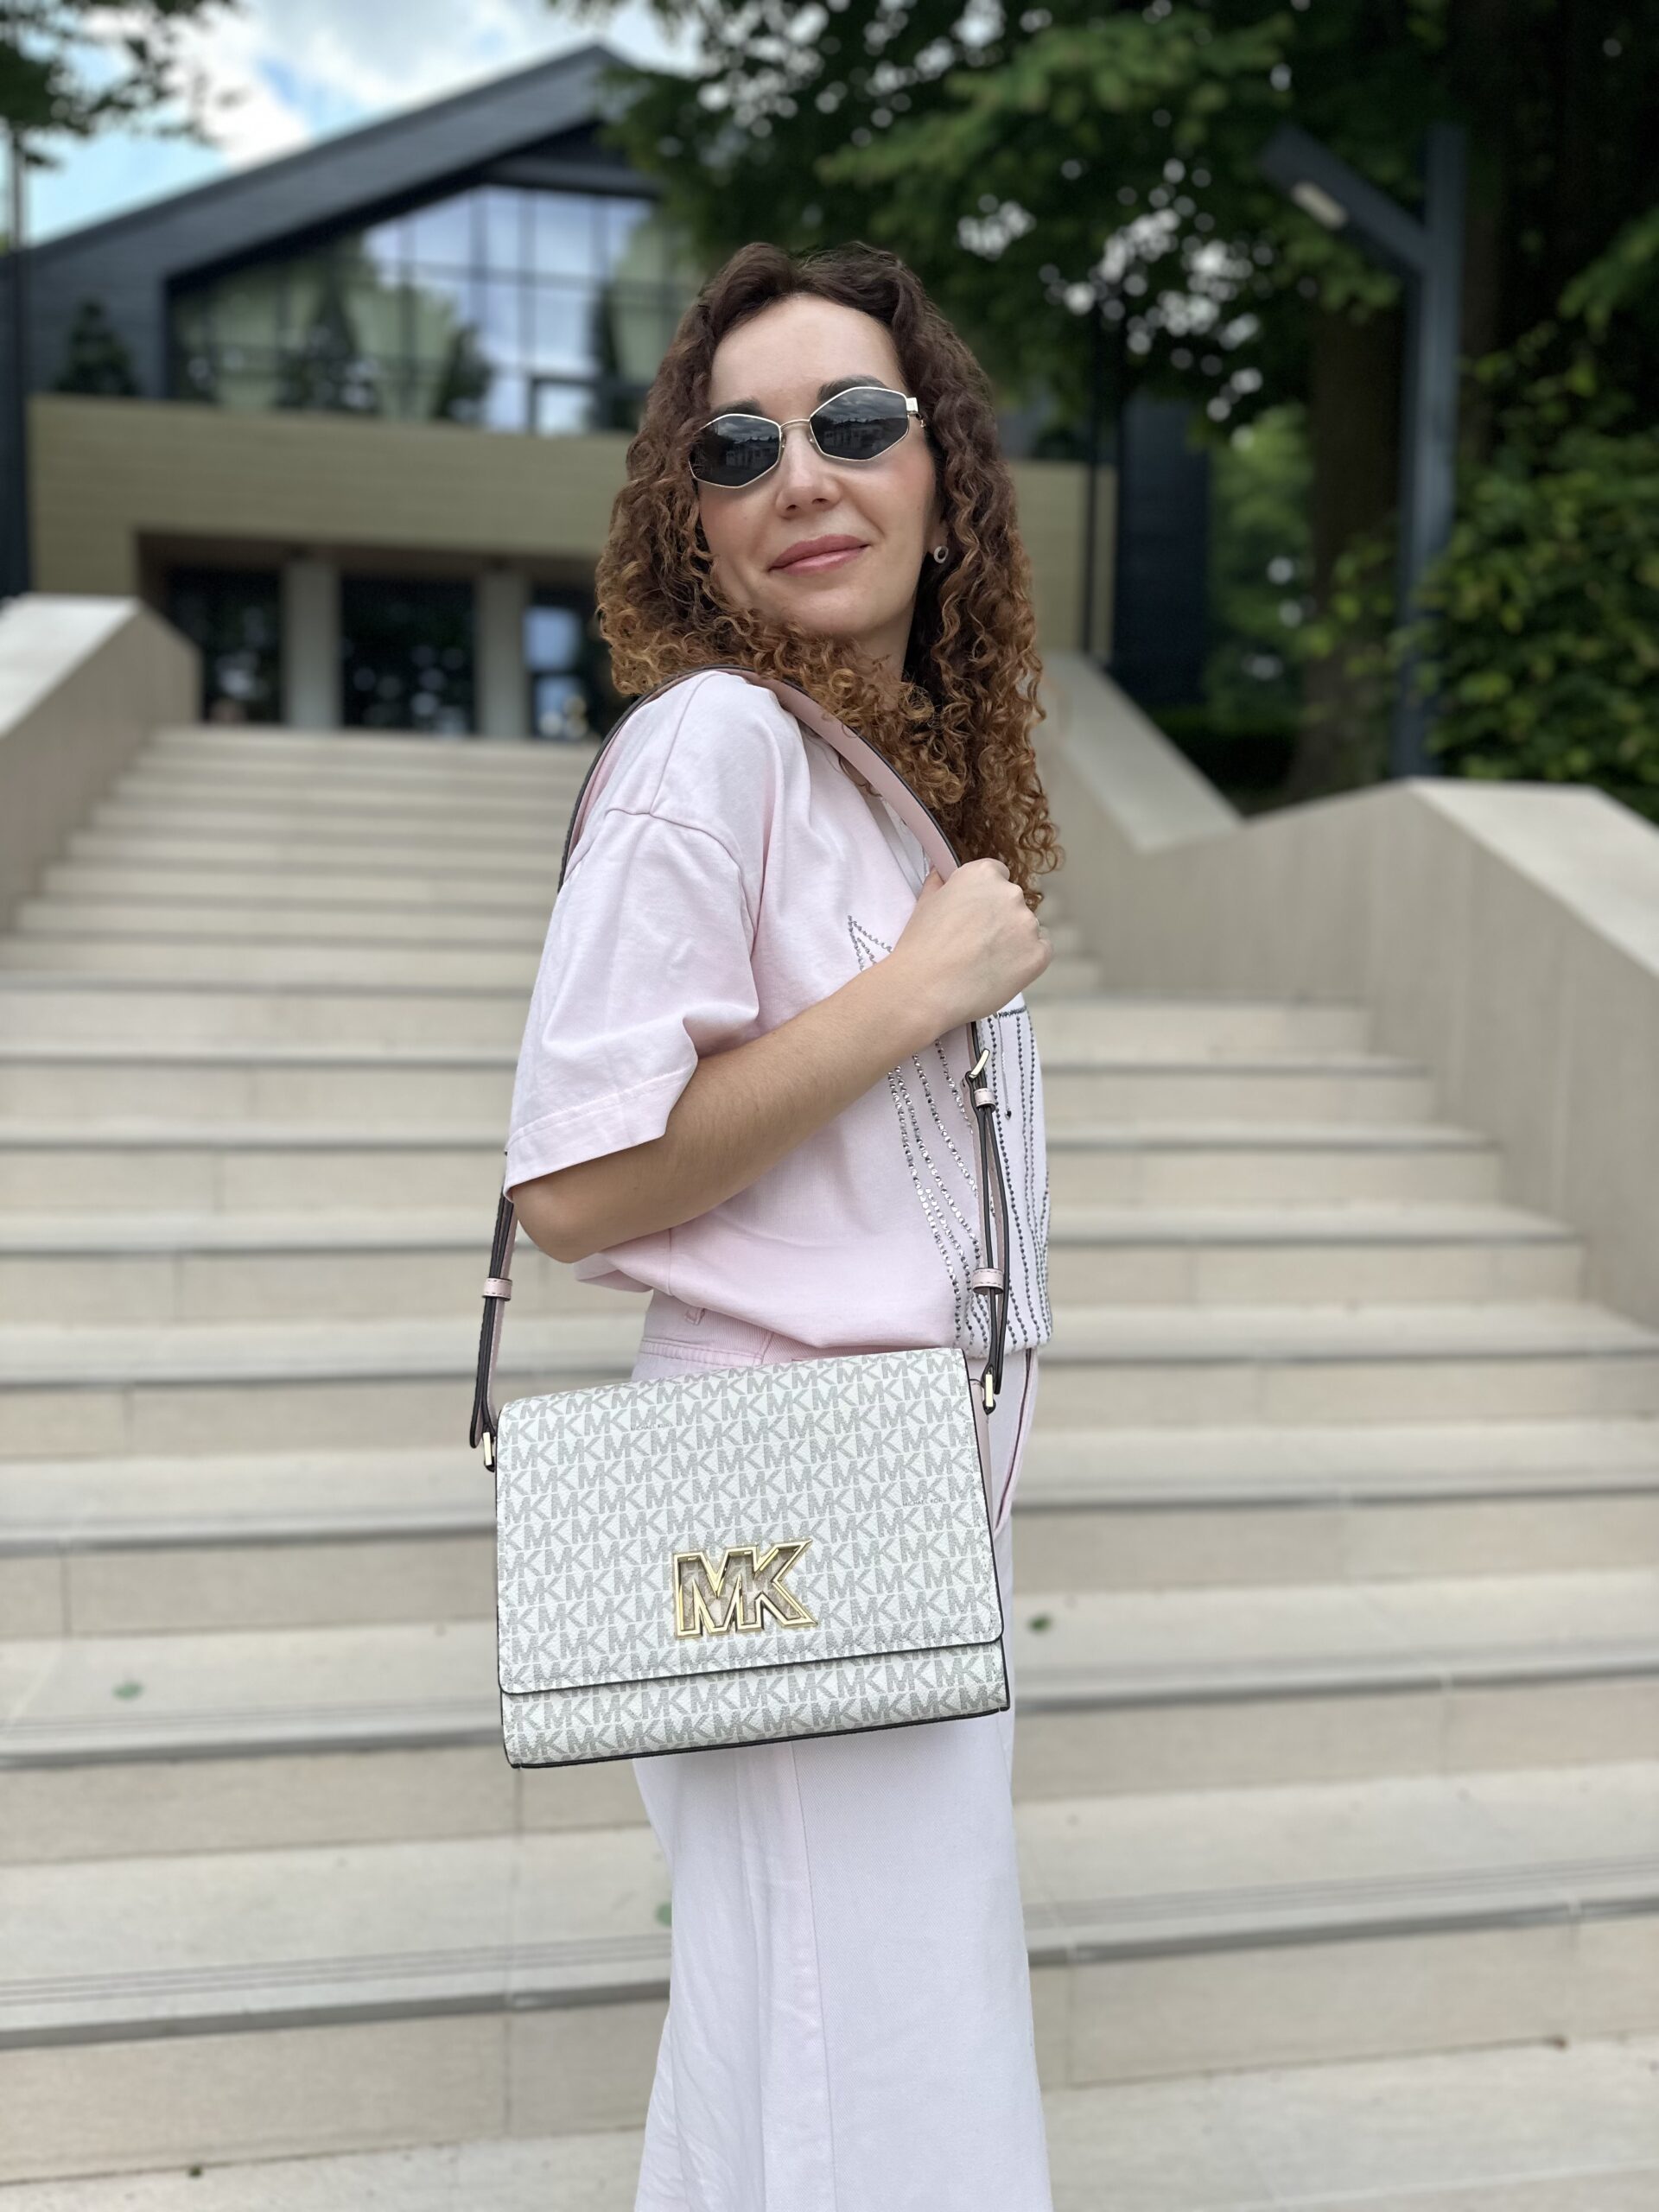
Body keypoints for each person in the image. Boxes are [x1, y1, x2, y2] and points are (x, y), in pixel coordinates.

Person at [505, 238, 1064, 2212]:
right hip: (785, 1500)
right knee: (861, 2086)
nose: (800, 475)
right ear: (697, 520)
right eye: (738, 446)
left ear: (942, 472)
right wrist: (912, 994)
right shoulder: (715, 745)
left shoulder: (891, 788)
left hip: (889, 1500)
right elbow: (574, 1184)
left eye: (853, 421)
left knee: (822, 2066)